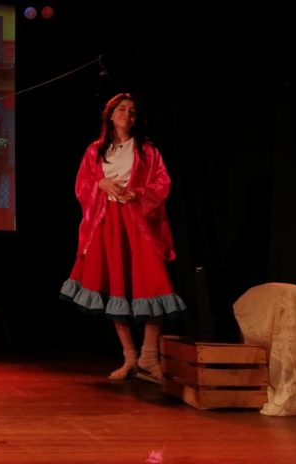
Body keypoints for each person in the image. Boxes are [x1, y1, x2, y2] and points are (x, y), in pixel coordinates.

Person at [59, 92, 185, 382]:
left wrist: (138, 193)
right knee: (116, 286)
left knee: (153, 284)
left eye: (132, 111)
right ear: (111, 114)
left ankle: (149, 356)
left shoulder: (147, 151)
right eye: (122, 109)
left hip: (138, 222)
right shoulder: (95, 150)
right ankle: (130, 357)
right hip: (107, 223)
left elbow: (162, 183)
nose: (127, 114)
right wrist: (100, 183)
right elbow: (82, 184)